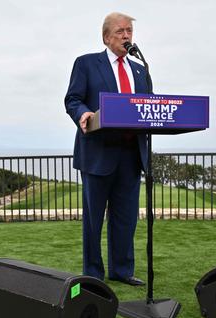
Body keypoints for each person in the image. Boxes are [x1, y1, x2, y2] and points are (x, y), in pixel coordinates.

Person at [64, 12, 149, 286]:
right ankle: (93, 274)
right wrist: (83, 113)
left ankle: (122, 271)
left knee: (126, 219)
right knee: (93, 220)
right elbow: (73, 99)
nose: (126, 36)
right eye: (120, 31)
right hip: (98, 154)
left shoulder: (140, 69)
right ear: (106, 37)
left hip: (131, 155)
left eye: (129, 31)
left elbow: (147, 108)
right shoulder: (87, 64)